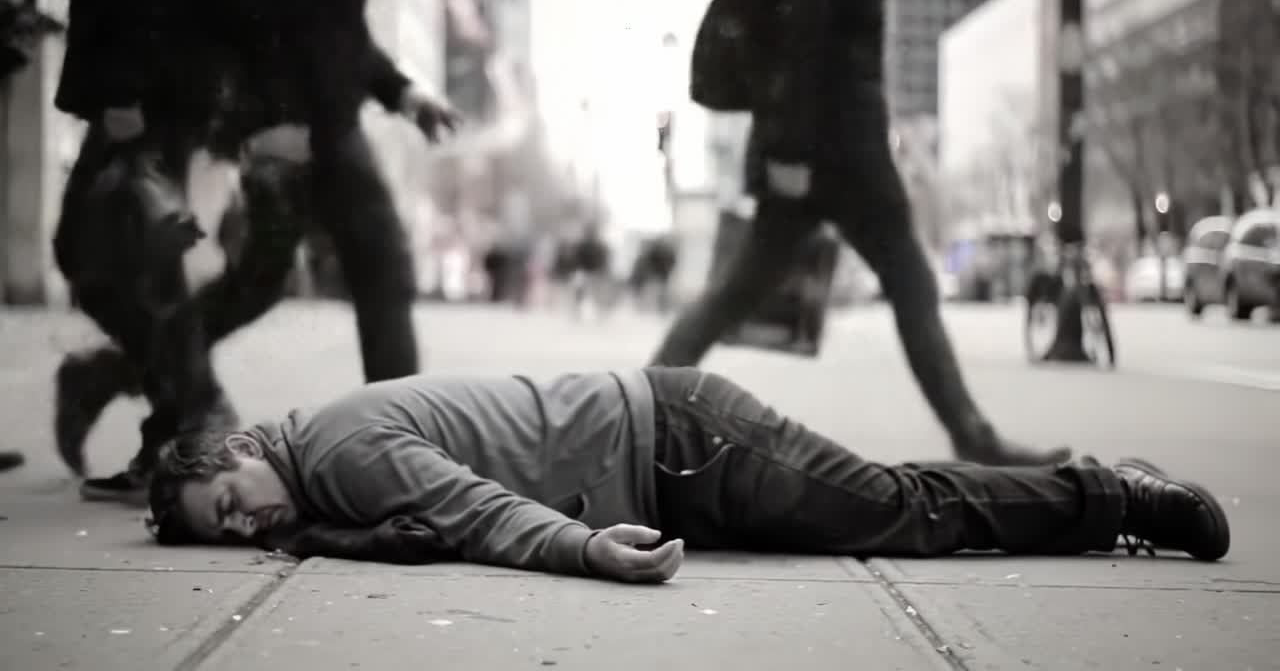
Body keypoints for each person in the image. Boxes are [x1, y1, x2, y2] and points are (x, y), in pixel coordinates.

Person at [147, 367, 1230, 583]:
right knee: (890, 500)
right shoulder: (316, 470)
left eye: (231, 507)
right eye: (225, 535)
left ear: (240, 448)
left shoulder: (336, 450)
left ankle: (1114, 496)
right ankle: (1094, 497)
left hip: (680, 446)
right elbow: (404, 531)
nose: (246, 529)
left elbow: (467, 515)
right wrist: (302, 534)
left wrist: (585, 551)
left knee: (899, 515)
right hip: (672, 450)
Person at [51, 0, 457, 503]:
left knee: (371, 263)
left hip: (324, 126)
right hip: (236, 113)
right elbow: (172, 2)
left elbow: (343, 35)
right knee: (123, 254)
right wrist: (140, 97)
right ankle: (190, 418)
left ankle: (404, 441)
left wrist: (402, 93)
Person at [649, 0, 1068, 467]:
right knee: (908, 281)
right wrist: (792, 152)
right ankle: (970, 434)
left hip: (826, 142)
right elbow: (804, 31)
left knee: (740, 290)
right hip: (838, 146)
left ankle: (637, 407)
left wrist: (790, 147)